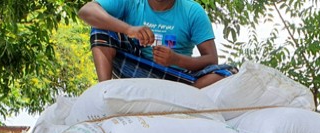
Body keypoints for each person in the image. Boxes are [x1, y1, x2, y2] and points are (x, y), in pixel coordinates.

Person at [78, 0, 236, 88]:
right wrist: (129, 29)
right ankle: (104, 91)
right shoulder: (131, 2)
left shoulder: (193, 11)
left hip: (177, 79)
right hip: (135, 70)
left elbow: (211, 59)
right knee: (100, 26)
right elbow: (86, 11)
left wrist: (176, 60)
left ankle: (181, 96)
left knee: (229, 72)